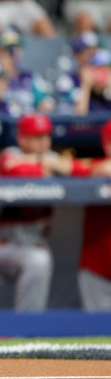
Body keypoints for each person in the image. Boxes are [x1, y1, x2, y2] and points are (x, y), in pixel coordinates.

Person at [0, 113, 88, 311]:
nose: (44, 142)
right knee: (38, 259)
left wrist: (47, 163)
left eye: (46, 136)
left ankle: (28, 328)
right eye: (36, 137)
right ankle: (27, 327)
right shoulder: (10, 153)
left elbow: (83, 172)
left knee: (39, 257)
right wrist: (47, 165)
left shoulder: (50, 158)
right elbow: (14, 170)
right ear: (21, 138)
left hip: (32, 244)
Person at [78, 119, 111, 311]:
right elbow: (71, 168)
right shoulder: (95, 166)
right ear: (105, 143)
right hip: (96, 267)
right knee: (98, 333)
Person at [0, 29, 55, 115]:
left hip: (27, 124)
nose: (12, 55)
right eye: (7, 50)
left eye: (15, 50)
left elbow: (46, 104)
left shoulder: (30, 77)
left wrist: (43, 106)